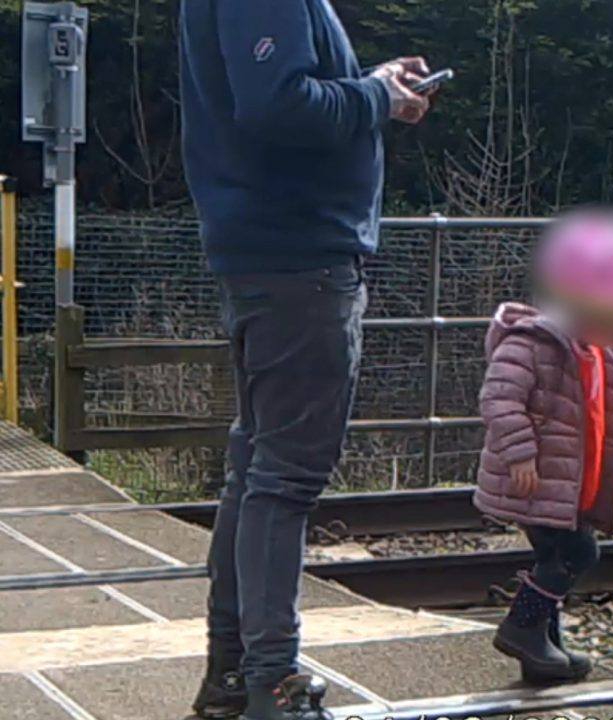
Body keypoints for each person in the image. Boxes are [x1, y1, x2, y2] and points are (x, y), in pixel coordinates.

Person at [179, 1, 432, 717]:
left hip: (268, 255)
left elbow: (285, 93)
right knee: (282, 478)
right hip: (301, 259)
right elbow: (279, 107)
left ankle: (236, 675)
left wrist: (369, 84)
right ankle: (272, 681)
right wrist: (377, 95)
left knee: (257, 469)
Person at [474, 210, 613, 684]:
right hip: (537, 479)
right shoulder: (534, 342)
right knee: (576, 555)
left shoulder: (601, 350)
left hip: (571, 483)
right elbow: (499, 397)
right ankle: (523, 629)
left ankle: (545, 651)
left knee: (554, 558)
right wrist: (521, 454)